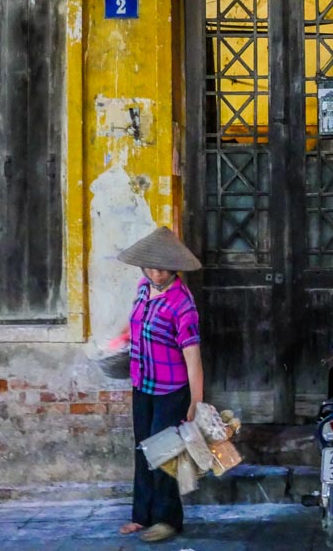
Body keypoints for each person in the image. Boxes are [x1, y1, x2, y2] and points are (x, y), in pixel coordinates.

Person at [115, 227, 204, 543]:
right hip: (142, 384)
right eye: (151, 266)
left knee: (164, 455)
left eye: (163, 267)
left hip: (171, 391)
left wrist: (195, 400)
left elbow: (192, 356)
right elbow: (135, 320)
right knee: (143, 449)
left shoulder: (182, 304)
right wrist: (121, 337)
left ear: (174, 268)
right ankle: (142, 516)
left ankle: (168, 520)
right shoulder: (143, 287)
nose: (156, 272)